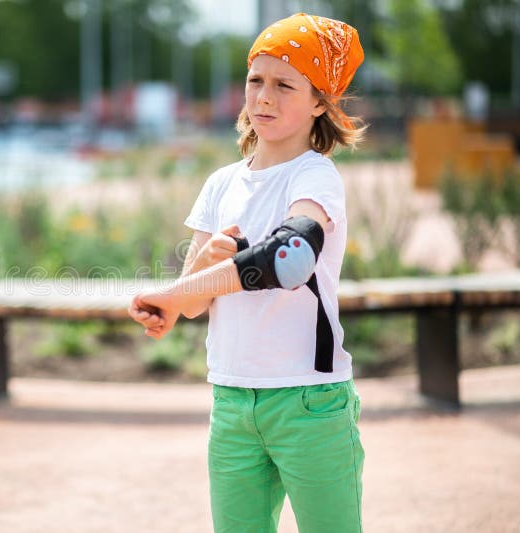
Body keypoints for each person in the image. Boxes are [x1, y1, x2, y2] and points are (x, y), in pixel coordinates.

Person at [127, 13, 367, 533]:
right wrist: (197, 273)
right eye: (256, 80)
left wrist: (179, 291)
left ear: (321, 102)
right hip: (232, 401)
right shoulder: (220, 184)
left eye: (286, 85)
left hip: (309, 400)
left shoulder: (315, 176)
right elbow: (192, 304)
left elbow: (292, 255)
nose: (264, 97)